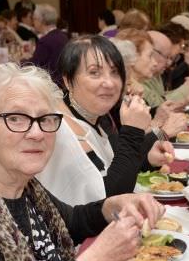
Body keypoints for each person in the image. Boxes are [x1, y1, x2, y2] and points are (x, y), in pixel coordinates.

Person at [0, 62, 165, 261]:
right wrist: (98, 258)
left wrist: (111, 206)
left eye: (46, 118)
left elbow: (71, 222)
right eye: (16, 118)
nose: (37, 133)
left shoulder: (25, 187)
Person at [36, 35, 174, 206]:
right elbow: (109, 200)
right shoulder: (60, 128)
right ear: (68, 80)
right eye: (94, 72)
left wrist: (147, 160)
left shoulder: (95, 116)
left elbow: (113, 168)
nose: (109, 83)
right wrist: (133, 131)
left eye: (115, 72)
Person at [28, 4, 69, 87]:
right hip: (63, 83)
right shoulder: (63, 36)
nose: (33, 22)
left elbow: (33, 67)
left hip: (51, 86)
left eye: (34, 19)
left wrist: (19, 62)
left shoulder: (45, 41)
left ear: (42, 21)